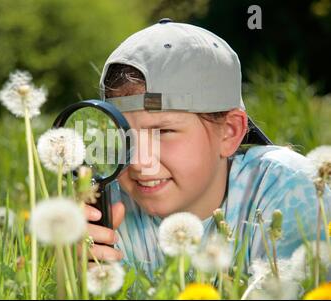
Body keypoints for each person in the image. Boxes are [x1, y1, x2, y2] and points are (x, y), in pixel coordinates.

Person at [83, 19, 331, 276]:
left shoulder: (294, 191)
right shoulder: (104, 207)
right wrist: (69, 272)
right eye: (122, 135)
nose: (137, 161)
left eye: (163, 132)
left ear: (229, 132)